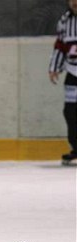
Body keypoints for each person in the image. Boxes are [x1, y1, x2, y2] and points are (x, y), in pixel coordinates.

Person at [49, 0, 77, 166]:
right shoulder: (64, 21)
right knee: (70, 112)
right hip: (73, 72)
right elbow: (60, 46)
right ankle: (76, 147)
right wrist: (54, 67)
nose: (75, 2)